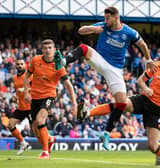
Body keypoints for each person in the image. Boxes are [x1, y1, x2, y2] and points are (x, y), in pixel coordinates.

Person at [54, 6, 157, 150]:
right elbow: (80, 30)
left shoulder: (128, 32)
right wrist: (93, 29)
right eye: (105, 18)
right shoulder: (102, 26)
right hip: (101, 60)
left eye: (108, 18)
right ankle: (63, 61)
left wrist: (148, 59)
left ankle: (106, 134)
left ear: (116, 17)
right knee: (84, 48)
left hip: (116, 69)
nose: (105, 20)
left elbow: (142, 44)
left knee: (121, 102)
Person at [77, 61, 160, 160]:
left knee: (152, 146)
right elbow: (140, 81)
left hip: (157, 110)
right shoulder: (157, 65)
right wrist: (145, 89)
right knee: (121, 103)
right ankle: (87, 113)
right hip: (145, 99)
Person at [24, 39, 77, 159]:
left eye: (50, 48)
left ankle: (45, 152)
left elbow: (68, 85)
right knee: (34, 128)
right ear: (42, 50)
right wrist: (26, 92)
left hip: (49, 96)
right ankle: (49, 139)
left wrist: (74, 103)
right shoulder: (36, 60)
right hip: (34, 97)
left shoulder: (59, 66)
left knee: (40, 120)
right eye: (45, 48)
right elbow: (27, 75)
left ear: (54, 50)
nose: (48, 50)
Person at [7, 58, 32, 155]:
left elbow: (36, 88)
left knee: (36, 130)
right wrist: (15, 97)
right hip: (21, 107)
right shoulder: (14, 78)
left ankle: (47, 146)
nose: (20, 66)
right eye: (18, 64)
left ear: (25, 65)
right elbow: (18, 91)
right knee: (10, 125)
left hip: (31, 106)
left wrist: (25, 89)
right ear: (15, 66)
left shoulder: (30, 75)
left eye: (21, 64)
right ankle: (23, 143)